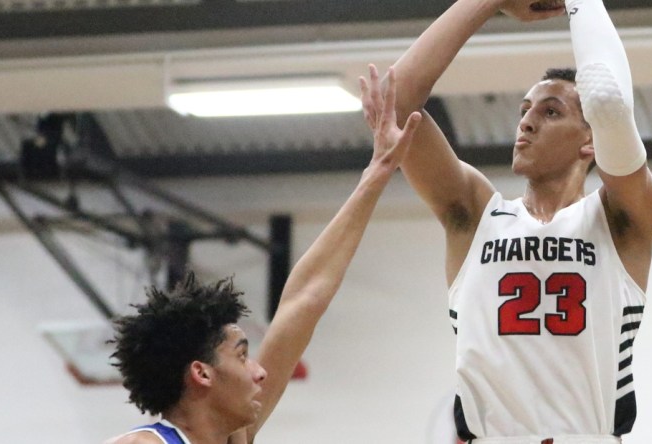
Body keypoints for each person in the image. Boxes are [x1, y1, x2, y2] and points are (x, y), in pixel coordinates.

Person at [360, 0, 652, 442]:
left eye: (550, 111)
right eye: (524, 110)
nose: (526, 123)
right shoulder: (476, 213)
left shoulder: (620, 217)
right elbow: (397, 100)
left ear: (589, 142)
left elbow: (609, 103)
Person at [104, 73, 422, 444]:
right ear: (202, 373)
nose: (260, 372)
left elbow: (305, 300)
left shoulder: (231, 437)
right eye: (241, 357)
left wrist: (379, 172)